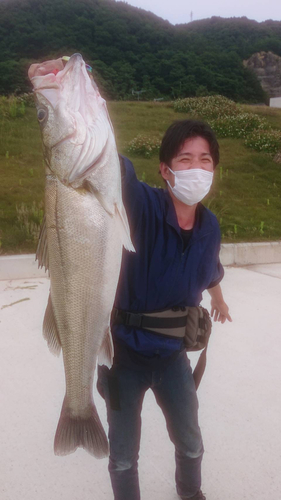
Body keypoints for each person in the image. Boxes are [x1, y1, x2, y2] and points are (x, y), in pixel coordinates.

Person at [97, 119, 232, 500]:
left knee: (191, 442)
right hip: (123, 356)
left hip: (174, 358)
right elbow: (110, 165)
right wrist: (81, 104)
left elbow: (210, 268)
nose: (197, 168)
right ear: (165, 170)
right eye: (184, 159)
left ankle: (190, 493)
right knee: (123, 456)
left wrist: (218, 298)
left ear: (214, 169)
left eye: (205, 160)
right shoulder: (142, 206)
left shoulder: (211, 227)